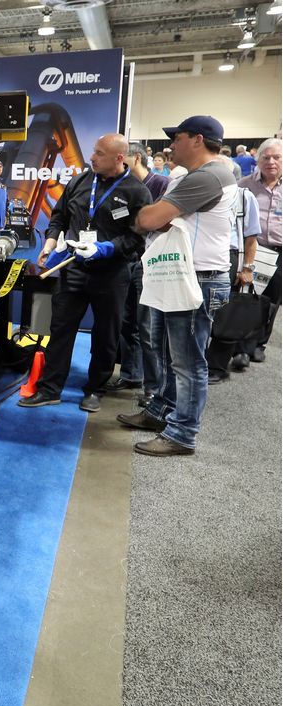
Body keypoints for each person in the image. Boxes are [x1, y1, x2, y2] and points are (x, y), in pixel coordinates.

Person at [119, 115, 236, 457]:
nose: (171, 145)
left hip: (197, 279)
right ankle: (161, 412)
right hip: (188, 275)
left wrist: (148, 215)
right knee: (172, 355)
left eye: (178, 138)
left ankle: (183, 433)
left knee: (187, 362)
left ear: (197, 140)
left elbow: (149, 219)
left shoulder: (208, 176)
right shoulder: (207, 175)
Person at [19, 134, 151, 413]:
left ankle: (95, 389)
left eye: (99, 153)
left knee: (106, 334)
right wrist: (52, 241)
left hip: (112, 275)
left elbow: (136, 238)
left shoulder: (136, 191)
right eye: (93, 151)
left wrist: (105, 249)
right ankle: (50, 388)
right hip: (73, 268)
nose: (92, 157)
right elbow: (59, 216)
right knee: (61, 329)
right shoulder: (80, 181)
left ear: (118, 158)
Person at [110, 142, 169, 399]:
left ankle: (153, 389)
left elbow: (160, 224)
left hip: (151, 265)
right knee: (127, 322)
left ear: (135, 158)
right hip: (127, 261)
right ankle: (131, 374)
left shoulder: (161, 185)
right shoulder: (121, 186)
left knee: (149, 328)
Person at [207, 156, 260, 383]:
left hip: (230, 258)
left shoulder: (244, 197)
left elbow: (251, 238)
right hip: (203, 258)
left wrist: (247, 268)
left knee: (225, 314)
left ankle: (217, 367)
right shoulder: (203, 193)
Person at [237, 138, 282, 364]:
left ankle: (260, 344)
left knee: (272, 301)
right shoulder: (244, 184)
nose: (271, 162)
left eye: (277, 157)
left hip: (279, 253)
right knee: (248, 298)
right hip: (252, 249)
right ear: (257, 159)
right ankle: (242, 347)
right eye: (266, 157)